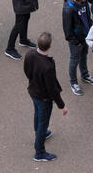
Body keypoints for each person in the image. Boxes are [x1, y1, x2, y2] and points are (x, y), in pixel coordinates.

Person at [23, 32, 68, 161]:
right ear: (50, 45)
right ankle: (39, 153)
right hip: (44, 98)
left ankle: (39, 135)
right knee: (43, 122)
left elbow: (26, 70)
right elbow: (52, 88)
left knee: (37, 115)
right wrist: (62, 106)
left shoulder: (30, 54)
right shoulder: (48, 66)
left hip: (33, 92)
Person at [62, 0, 93, 96]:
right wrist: (75, 42)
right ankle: (73, 83)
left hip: (85, 36)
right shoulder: (68, 9)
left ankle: (85, 75)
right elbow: (67, 30)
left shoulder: (84, 2)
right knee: (74, 60)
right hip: (76, 40)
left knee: (84, 55)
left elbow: (87, 16)